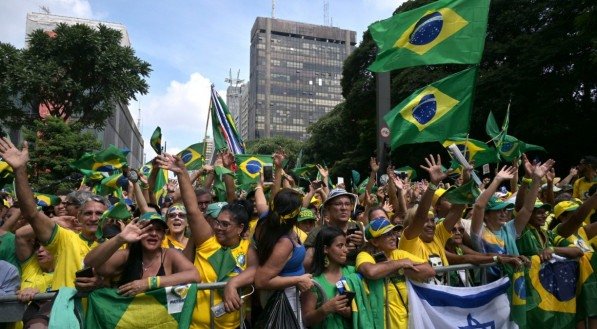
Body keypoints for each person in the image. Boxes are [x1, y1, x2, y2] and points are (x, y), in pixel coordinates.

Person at [157, 153, 257, 329]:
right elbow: (193, 210)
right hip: (196, 325)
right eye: (218, 222)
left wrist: (233, 283)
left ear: (240, 228)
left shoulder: (247, 247)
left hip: (233, 326)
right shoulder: (207, 241)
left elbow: (256, 270)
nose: (218, 227)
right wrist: (182, 173)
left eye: (225, 225)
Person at [0, 137, 106, 291]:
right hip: (65, 312)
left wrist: (102, 282)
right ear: (79, 217)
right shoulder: (66, 239)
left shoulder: (118, 243)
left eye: (99, 213)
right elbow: (32, 214)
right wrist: (20, 170)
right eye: (88, 213)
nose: (94, 218)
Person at [84, 214, 199, 296]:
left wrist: (150, 283)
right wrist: (119, 239)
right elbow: (90, 263)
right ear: (138, 232)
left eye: (158, 230)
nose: (153, 233)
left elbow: (194, 276)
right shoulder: (126, 256)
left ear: (164, 235)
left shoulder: (170, 255)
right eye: (148, 229)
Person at [356, 218, 435, 329]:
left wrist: (398, 269)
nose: (393, 237)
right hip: (382, 323)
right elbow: (371, 271)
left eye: (393, 233)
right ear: (374, 241)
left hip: (408, 322)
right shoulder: (365, 256)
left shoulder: (398, 253)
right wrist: (401, 263)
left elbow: (429, 270)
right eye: (387, 235)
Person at [398, 155, 465, 284]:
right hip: (423, 303)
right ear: (411, 225)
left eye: (432, 220)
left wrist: (466, 178)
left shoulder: (437, 236)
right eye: (425, 222)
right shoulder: (409, 240)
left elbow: (458, 209)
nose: (430, 225)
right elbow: (420, 216)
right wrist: (433, 184)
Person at [254, 187, 313, 328]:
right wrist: (298, 279)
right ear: (296, 213)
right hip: (284, 299)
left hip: (290, 296)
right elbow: (261, 281)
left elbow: (260, 202)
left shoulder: (267, 218)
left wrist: (258, 187)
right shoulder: (284, 243)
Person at [301, 226, 373, 329]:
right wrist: (326, 309)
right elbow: (307, 320)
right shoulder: (314, 282)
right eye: (340, 246)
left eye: (345, 245)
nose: (346, 250)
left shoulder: (353, 273)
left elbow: (366, 308)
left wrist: (351, 313)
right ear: (326, 249)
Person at [303, 188, 365, 270]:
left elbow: (369, 253)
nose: (343, 208)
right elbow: (305, 263)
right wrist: (332, 249)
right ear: (328, 209)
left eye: (347, 204)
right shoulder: (318, 232)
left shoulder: (357, 227)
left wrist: (362, 244)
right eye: (338, 204)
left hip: (355, 277)